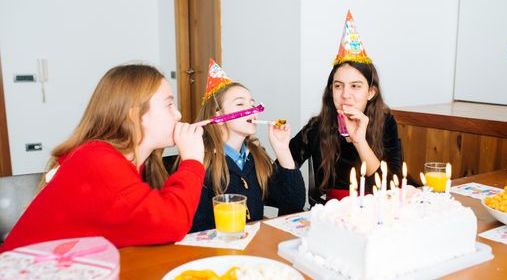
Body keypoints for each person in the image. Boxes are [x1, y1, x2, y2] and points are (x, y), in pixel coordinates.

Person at [0, 64, 205, 252]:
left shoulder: (129, 163)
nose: (178, 115)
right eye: (169, 105)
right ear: (134, 115)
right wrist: (193, 161)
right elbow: (172, 222)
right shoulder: (98, 161)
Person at [289, 10, 402, 202]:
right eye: (338, 86)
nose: (345, 95)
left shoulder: (386, 123)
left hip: (376, 213)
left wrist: (360, 141)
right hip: (329, 217)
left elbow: (393, 187)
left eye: (355, 86)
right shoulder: (316, 127)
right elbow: (278, 182)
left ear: (371, 92)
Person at [187, 59, 305, 232]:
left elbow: (293, 203)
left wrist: (282, 149)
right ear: (218, 117)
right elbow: (196, 226)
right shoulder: (202, 161)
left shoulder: (256, 157)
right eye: (240, 104)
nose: (252, 109)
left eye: (252, 103)